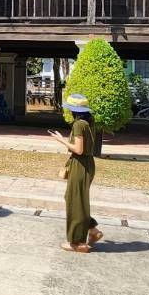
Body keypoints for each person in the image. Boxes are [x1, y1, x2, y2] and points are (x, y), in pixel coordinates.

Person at [48, 92, 103, 253]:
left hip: (80, 164)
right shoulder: (89, 122)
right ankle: (92, 230)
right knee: (76, 200)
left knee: (75, 202)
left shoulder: (79, 124)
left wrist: (61, 140)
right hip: (88, 164)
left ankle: (78, 242)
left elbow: (78, 149)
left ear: (74, 110)